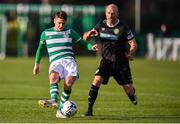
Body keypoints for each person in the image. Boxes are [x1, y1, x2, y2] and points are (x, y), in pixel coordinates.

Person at [33, 11, 98, 118]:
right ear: (54, 20)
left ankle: (60, 110)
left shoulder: (70, 32)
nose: (61, 25)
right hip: (55, 61)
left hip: (69, 61)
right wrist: (37, 64)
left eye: (63, 23)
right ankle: (54, 100)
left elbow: (82, 42)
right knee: (53, 76)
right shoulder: (46, 33)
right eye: (59, 23)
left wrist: (91, 47)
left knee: (68, 83)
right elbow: (40, 49)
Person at [83, 4, 138, 116]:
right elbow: (85, 37)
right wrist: (88, 34)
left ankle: (132, 95)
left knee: (128, 90)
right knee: (97, 80)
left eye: (113, 13)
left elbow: (133, 44)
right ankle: (89, 110)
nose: (111, 15)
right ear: (105, 13)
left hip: (121, 63)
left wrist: (131, 53)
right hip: (106, 61)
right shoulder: (100, 25)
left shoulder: (123, 27)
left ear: (118, 14)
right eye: (108, 13)